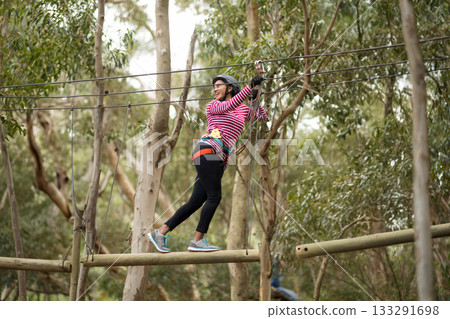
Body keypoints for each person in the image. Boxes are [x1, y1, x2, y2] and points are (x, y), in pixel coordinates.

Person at [148, 74, 268, 252]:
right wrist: (249, 89)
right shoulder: (214, 105)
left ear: (230, 88)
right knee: (214, 196)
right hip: (208, 150)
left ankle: (161, 232)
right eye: (214, 86)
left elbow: (262, 116)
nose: (215, 89)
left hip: (219, 159)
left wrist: (255, 98)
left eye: (219, 85)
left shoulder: (242, 109)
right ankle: (197, 240)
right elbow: (230, 104)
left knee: (196, 201)